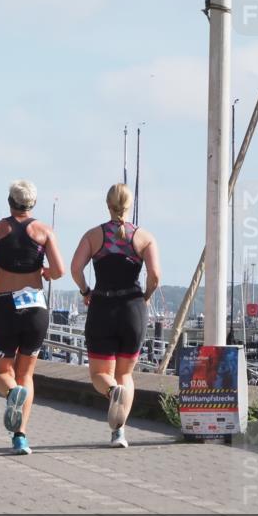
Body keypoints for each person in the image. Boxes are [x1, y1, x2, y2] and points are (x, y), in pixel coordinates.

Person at [0, 180, 65, 455]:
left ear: (9, 202)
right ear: (32, 204)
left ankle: (11, 394)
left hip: (6, 305)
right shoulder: (44, 230)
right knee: (26, 375)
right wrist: (44, 272)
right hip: (36, 308)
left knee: (1, 372)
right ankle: (20, 436)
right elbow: (59, 270)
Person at [70, 183, 160, 448]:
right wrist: (146, 295)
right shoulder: (144, 237)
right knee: (126, 375)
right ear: (129, 205)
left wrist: (86, 290)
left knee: (100, 374)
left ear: (107, 205)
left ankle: (112, 392)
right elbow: (155, 276)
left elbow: (76, 268)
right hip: (133, 309)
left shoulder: (93, 236)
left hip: (103, 307)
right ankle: (118, 433)